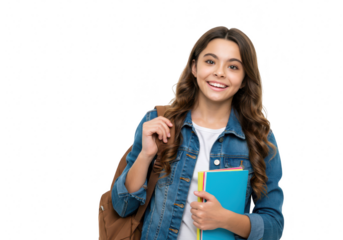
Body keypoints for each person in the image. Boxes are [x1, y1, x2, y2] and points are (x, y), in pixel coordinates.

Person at [112, 25, 284, 240]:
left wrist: (225, 219)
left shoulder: (260, 137)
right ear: (194, 67)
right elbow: (122, 207)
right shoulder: (157, 122)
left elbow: (274, 226)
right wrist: (146, 155)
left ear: (243, 79)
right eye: (210, 61)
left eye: (233, 67)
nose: (219, 72)